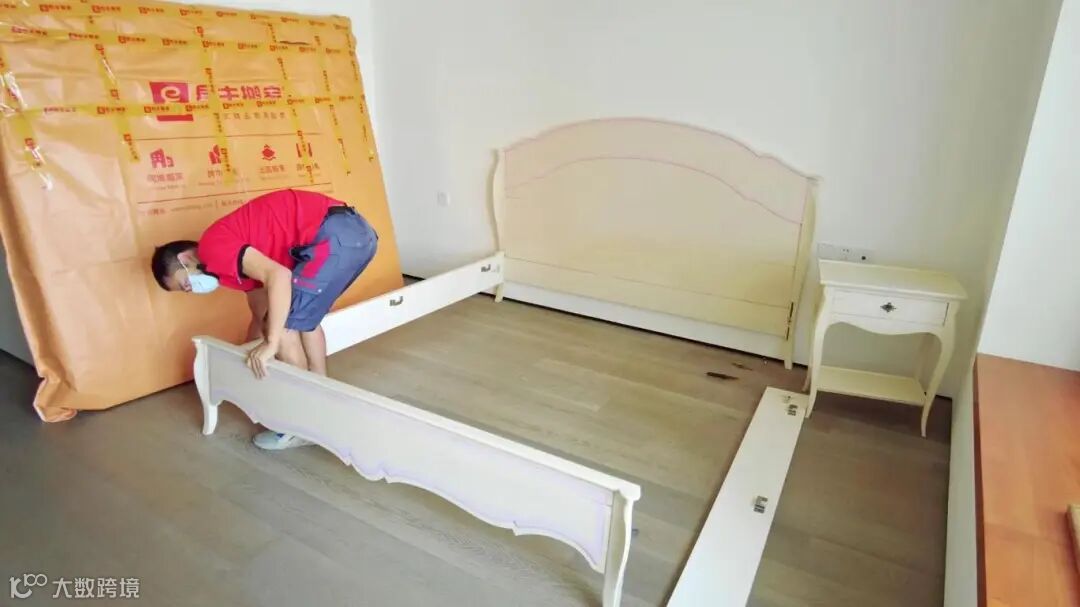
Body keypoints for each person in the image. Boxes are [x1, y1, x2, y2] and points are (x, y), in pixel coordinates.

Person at [151, 188, 378, 450]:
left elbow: (279, 277)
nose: (192, 290)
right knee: (304, 320)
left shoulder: (213, 247)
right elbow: (260, 312)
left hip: (333, 238)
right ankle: (321, 398)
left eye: (186, 284)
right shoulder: (230, 268)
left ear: (185, 259)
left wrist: (271, 343)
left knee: (284, 328)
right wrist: (242, 362)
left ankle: (302, 425)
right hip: (358, 236)